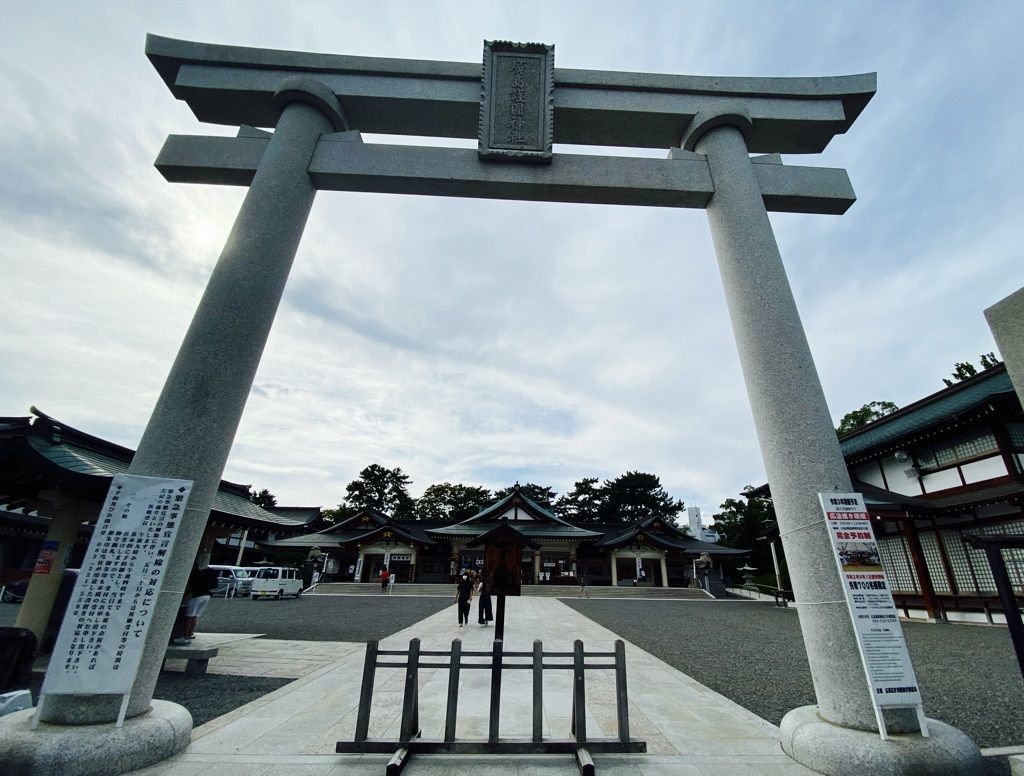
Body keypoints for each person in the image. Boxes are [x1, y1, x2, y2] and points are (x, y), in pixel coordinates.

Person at [177, 561, 218, 644]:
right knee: (194, 616)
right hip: (207, 596)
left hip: (197, 596)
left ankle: (185, 637)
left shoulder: (193, 574)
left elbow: (190, 587)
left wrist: (183, 595)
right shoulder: (202, 574)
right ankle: (190, 634)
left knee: (188, 616)